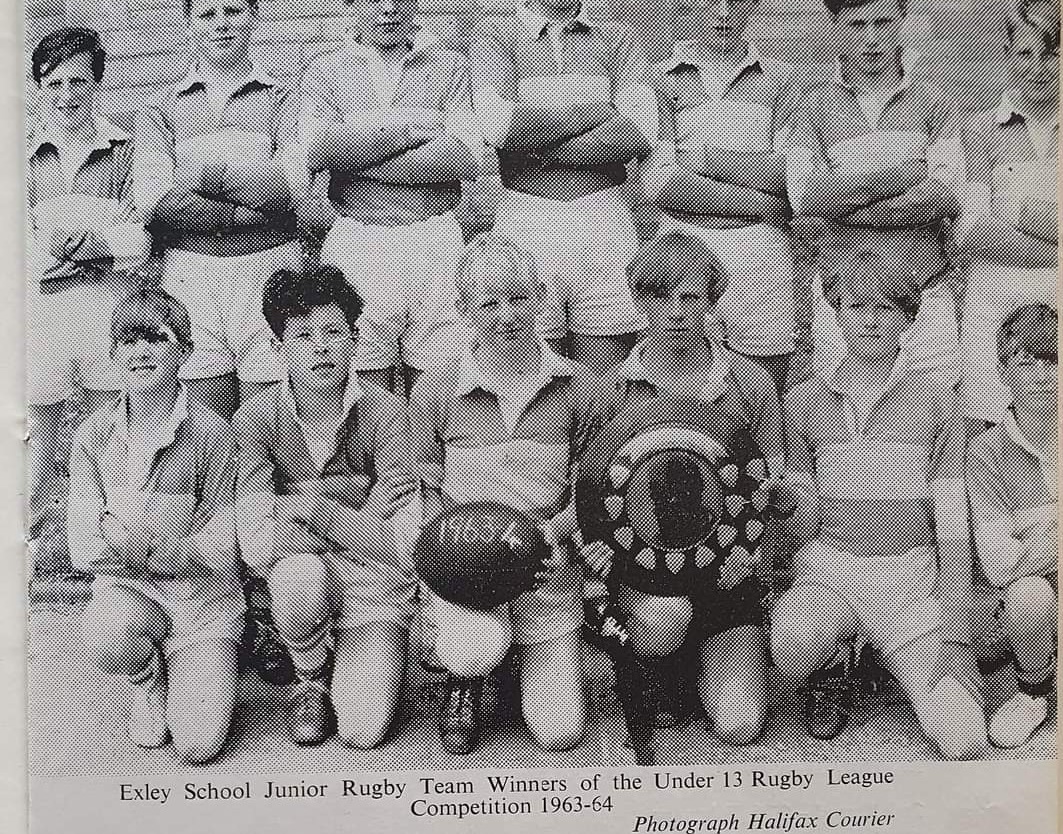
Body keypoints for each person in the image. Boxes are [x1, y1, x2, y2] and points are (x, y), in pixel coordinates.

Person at [772, 253, 987, 759]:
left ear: (907, 321)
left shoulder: (931, 395)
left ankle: (897, 662)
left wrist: (951, 599)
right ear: (836, 312)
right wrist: (804, 571)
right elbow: (794, 501)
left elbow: (951, 499)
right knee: (785, 647)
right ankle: (840, 664)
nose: (868, 320)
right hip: (833, 570)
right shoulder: (811, 394)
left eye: (885, 309)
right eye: (854, 306)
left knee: (964, 739)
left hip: (904, 575)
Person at [579, 230, 784, 744]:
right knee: (651, 633)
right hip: (646, 589)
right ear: (637, 301)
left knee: (742, 720)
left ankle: (712, 665)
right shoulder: (608, 389)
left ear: (714, 302)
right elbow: (587, 502)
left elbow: (779, 491)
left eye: (688, 295)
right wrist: (609, 578)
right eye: (654, 291)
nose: (671, 308)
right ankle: (651, 669)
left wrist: (760, 560)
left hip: (728, 584)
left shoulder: (748, 383)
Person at [409, 234, 600, 755]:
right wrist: (448, 549)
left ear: (542, 303)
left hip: (547, 566)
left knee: (560, 731)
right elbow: (422, 486)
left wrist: (556, 536)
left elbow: (591, 485)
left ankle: (533, 668)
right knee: (472, 646)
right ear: (465, 310)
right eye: (488, 301)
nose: (503, 315)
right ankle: (469, 677)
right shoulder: (441, 388)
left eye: (518, 298)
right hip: (469, 565)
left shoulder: (576, 386)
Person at [233, 266, 417, 748]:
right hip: (304, 575)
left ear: (355, 340)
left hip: (370, 587)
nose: (320, 346)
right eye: (303, 335)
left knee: (363, 731)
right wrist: (352, 521)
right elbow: (254, 544)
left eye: (333, 332)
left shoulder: (387, 411)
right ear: (278, 348)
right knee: (297, 577)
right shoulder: (256, 414)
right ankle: (310, 676)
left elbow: (398, 544)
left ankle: (363, 660)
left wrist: (309, 510)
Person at [470, 0, 658, 374]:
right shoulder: (495, 37)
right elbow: (499, 128)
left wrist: (534, 138)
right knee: (534, 370)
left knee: (606, 382)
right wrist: (596, 112)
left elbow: (638, 134)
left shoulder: (619, 39)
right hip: (526, 221)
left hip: (604, 221)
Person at [66, 288, 244, 763]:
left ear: (184, 352)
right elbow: (82, 546)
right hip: (132, 596)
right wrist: (167, 549)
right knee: (105, 629)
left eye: (158, 338)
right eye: (128, 339)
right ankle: (145, 677)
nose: (141, 351)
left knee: (197, 746)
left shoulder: (214, 433)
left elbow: (221, 549)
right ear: (113, 354)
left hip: (203, 606)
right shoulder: (92, 436)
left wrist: (129, 542)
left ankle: (198, 664)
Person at [299, 0, 480, 395]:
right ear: (348, 0)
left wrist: (358, 149)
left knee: (444, 385)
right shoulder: (325, 70)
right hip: (359, 239)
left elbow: (460, 158)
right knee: (364, 388)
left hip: (434, 239)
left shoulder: (450, 64)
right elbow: (317, 150)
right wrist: (416, 130)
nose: (388, 9)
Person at [135, 0, 303, 420]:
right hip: (192, 275)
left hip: (270, 271)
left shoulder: (285, 97)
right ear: (188, 22)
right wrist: (246, 206)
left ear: (253, 14)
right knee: (206, 425)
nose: (221, 25)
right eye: (207, 15)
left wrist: (202, 185)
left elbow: (293, 190)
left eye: (233, 11)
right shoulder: (160, 111)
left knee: (269, 419)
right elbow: (155, 201)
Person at [785, 0, 963, 381]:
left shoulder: (935, 101)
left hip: (926, 302)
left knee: (934, 430)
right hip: (845, 307)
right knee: (850, 434)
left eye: (882, 22)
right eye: (856, 25)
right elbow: (807, 197)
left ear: (902, 17)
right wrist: (898, 178)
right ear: (835, 25)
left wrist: (846, 200)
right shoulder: (813, 106)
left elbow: (944, 196)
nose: (871, 41)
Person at [643, 0, 806, 394]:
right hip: (688, 265)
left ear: (755, 1)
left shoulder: (780, 80)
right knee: (692, 389)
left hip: (763, 266)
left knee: (763, 400)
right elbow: (662, 184)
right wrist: (763, 197)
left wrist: (703, 162)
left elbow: (791, 182)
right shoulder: (662, 79)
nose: (722, 13)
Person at [26, 27, 146, 577]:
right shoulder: (28, 157)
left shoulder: (123, 147)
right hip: (46, 306)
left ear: (98, 82)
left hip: (109, 300)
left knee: (105, 435)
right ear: (39, 89)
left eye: (79, 80)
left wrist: (78, 235)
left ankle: (96, 560)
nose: (68, 94)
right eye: (55, 84)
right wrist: (89, 232)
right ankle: (37, 558)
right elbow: (33, 242)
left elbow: (135, 239)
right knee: (43, 438)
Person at [956, 0, 1058, 428]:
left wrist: (1014, 210)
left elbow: (993, 225)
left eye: (1053, 54)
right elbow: (973, 231)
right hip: (994, 309)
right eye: (1025, 53)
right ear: (1006, 52)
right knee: (993, 436)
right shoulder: (980, 131)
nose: (1037, 68)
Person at [967, 304, 1057, 749]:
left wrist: (1041, 541)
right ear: (1003, 372)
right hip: (1036, 585)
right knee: (1029, 598)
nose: (1043, 373)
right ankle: (1034, 690)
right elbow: (1002, 564)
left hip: (1041, 559)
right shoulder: (987, 450)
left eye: (1053, 358)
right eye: (1026, 360)